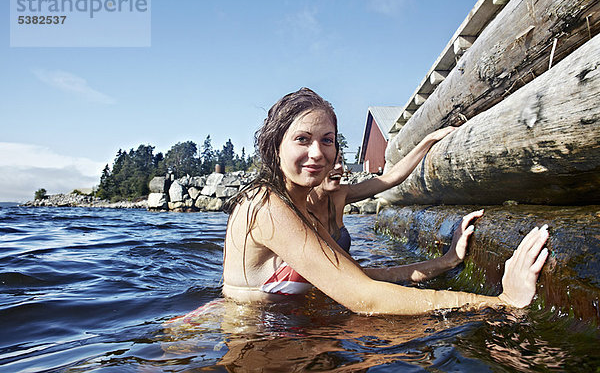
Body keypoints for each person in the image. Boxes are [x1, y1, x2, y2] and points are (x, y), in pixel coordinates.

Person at [223, 87, 549, 314]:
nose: (317, 152)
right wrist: (501, 303)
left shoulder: (302, 210)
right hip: (245, 340)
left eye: (327, 141)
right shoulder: (265, 204)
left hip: (283, 332)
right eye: (302, 139)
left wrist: (445, 262)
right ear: (274, 144)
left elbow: (358, 278)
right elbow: (364, 298)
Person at [307, 127, 455, 256]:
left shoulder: (341, 194)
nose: (339, 167)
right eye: (332, 162)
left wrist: (428, 140)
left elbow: (392, 177)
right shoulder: (298, 203)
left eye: (340, 161)